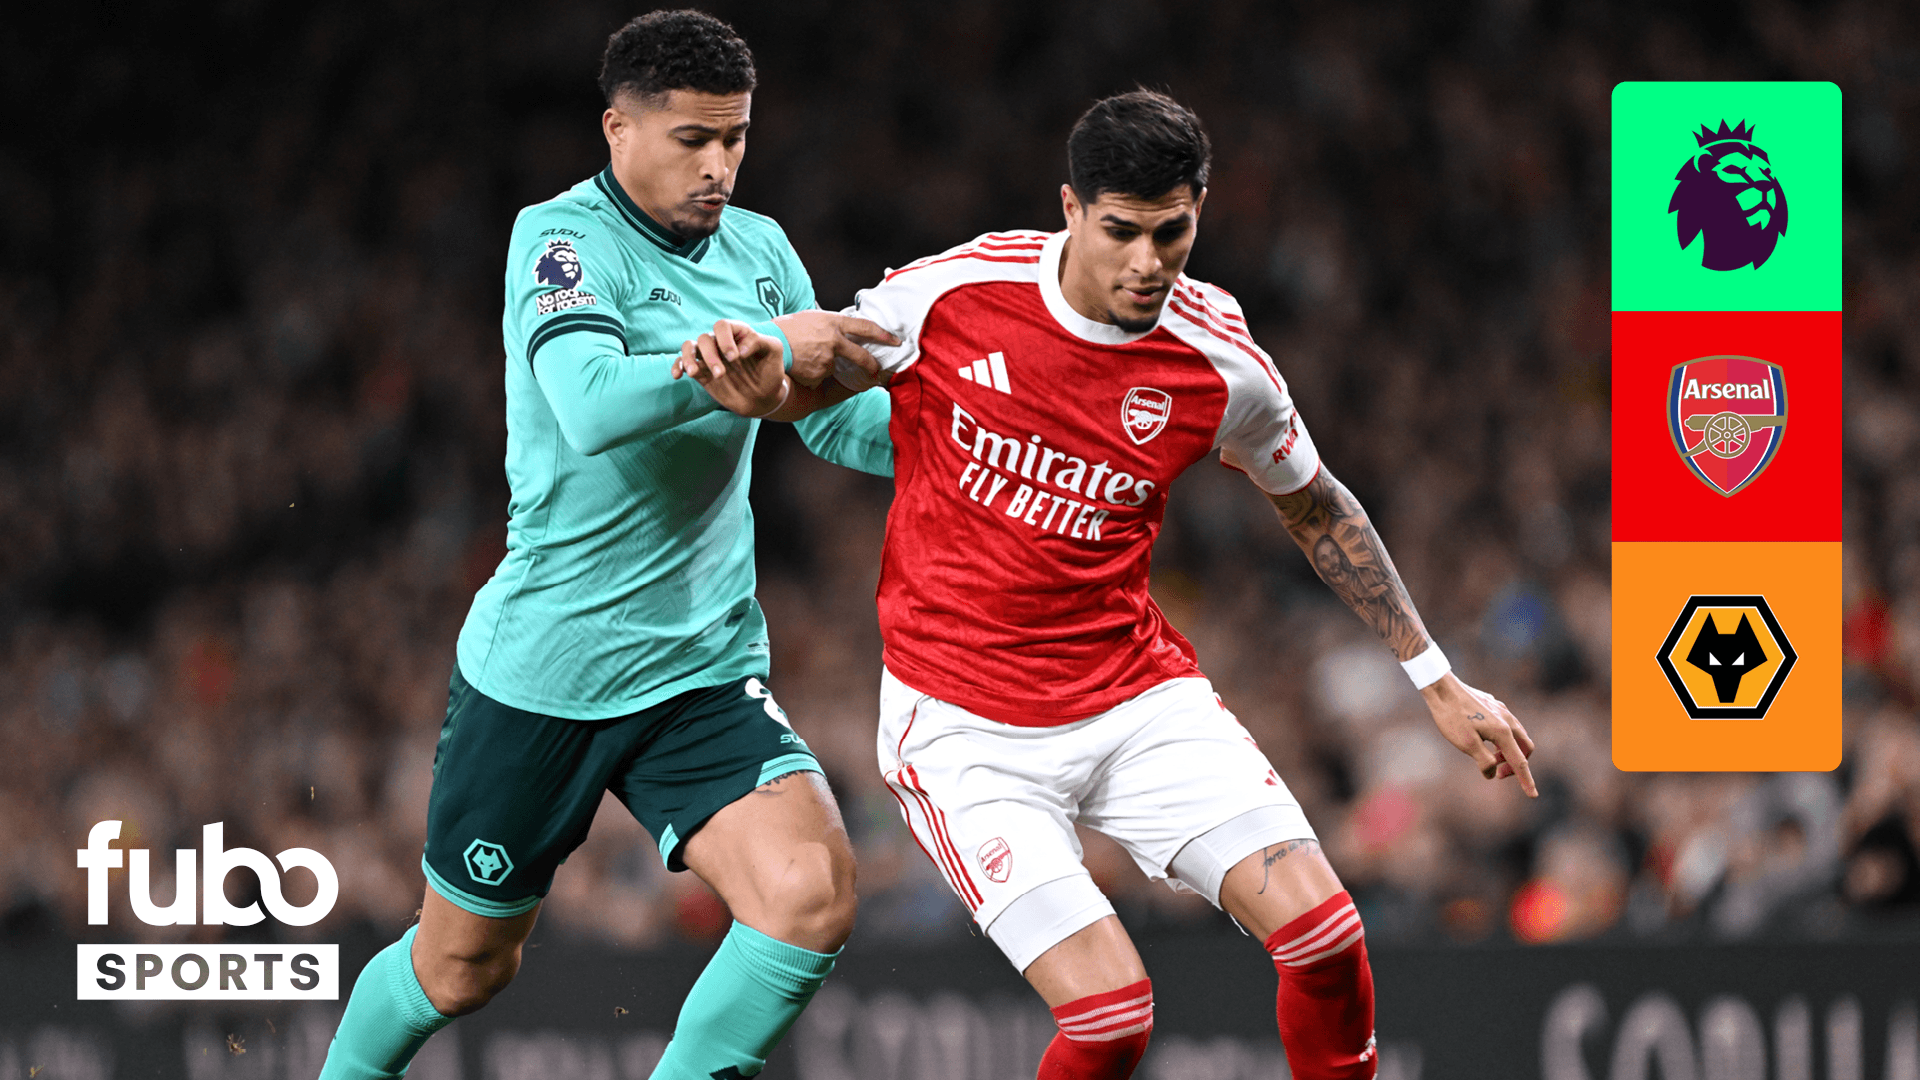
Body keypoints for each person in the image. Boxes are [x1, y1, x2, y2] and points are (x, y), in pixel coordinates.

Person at [678, 90, 1536, 1080]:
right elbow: (825, 363)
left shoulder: (1219, 360)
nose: (1146, 262)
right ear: (1072, 210)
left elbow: (1317, 506)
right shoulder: (957, 294)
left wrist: (1435, 677)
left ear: (1198, 213)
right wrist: (767, 375)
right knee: (1111, 1021)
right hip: (965, 730)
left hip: (1134, 699)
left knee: (1328, 940)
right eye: (1121, 230)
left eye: (1171, 233)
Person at [317, 10, 896, 1079]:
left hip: (700, 667)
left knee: (808, 894)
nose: (719, 166)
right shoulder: (560, 239)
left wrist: (992, 447)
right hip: (550, 670)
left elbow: (829, 418)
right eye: (692, 139)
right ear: (618, 129)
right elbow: (586, 403)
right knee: (462, 969)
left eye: (735, 138)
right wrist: (755, 351)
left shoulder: (761, 250)